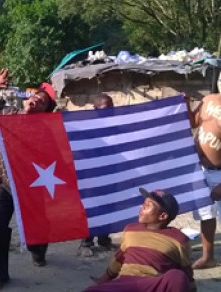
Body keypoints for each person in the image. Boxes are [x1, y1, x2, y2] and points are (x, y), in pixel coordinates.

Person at [0, 68, 57, 291]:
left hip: (32, 187)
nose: (36, 102)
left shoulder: (47, 129)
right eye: (35, 97)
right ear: (28, 98)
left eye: (42, 102)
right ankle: (0, 274)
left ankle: (38, 252)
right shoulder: (7, 115)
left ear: (46, 111)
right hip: (4, 184)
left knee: (38, 230)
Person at [84, 187, 196, 292]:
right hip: (127, 284)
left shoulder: (179, 239)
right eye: (143, 204)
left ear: (162, 216)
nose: (141, 208)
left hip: (153, 285)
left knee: (177, 276)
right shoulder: (130, 230)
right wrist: (102, 281)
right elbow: (119, 260)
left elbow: (186, 272)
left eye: (148, 206)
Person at [185, 93, 221, 269]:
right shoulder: (208, 100)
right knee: (206, 215)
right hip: (201, 170)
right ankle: (208, 257)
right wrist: (185, 104)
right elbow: (194, 123)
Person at [79, 94, 115, 257]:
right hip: (91, 175)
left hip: (111, 173)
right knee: (91, 208)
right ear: (95, 109)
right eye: (106, 108)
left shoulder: (116, 126)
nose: (110, 111)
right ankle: (86, 242)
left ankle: (104, 240)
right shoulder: (86, 128)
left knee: (108, 206)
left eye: (112, 107)